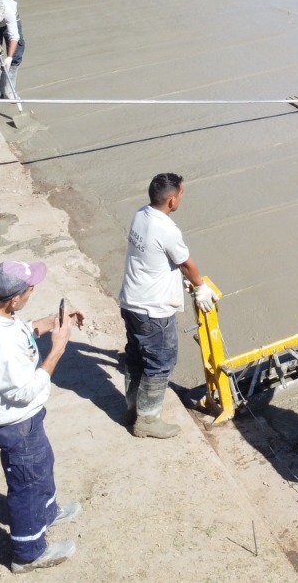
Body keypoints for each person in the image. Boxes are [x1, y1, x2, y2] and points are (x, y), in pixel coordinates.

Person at [0, 260, 86, 573]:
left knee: (42, 463)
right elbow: (23, 391)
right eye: (30, 288)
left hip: (26, 420)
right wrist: (57, 348)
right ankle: (28, 552)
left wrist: (49, 322)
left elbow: (16, 332)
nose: (34, 289)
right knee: (26, 484)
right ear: (13, 299)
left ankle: (46, 513)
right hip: (15, 422)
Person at [118, 172, 214, 439]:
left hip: (131, 302)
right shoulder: (167, 230)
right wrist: (200, 287)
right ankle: (147, 421)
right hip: (153, 310)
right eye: (181, 194)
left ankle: (132, 410)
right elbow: (186, 263)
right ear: (172, 201)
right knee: (160, 362)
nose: (182, 197)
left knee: (136, 357)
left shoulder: (141, 215)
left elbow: (156, 256)